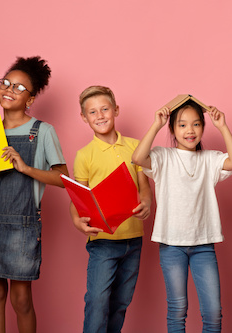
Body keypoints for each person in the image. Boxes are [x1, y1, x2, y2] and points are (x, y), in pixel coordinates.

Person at [0, 56, 68, 333]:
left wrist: (26, 167)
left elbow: (64, 178)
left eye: (19, 87)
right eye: (6, 83)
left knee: (21, 300)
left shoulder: (42, 131)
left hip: (22, 225)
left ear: (31, 98)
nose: (9, 89)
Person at [132, 99, 232, 332]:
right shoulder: (163, 156)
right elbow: (138, 158)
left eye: (195, 124)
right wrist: (156, 125)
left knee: (213, 313)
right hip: (171, 245)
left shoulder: (210, 158)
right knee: (177, 310)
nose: (190, 131)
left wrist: (223, 126)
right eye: (182, 125)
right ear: (172, 129)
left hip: (204, 244)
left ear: (203, 127)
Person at [69, 85, 152, 333]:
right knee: (97, 302)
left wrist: (146, 201)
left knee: (120, 303)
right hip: (102, 240)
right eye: (92, 112)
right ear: (84, 118)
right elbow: (77, 198)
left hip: (133, 239)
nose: (100, 115)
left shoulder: (135, 146)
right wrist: (76, 220)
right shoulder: (84, 155)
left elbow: (144, 186)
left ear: (116, 110)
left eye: (105, 109)